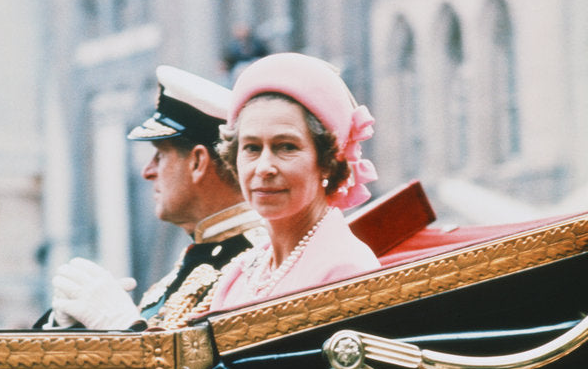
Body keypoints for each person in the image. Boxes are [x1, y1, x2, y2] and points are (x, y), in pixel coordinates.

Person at [41, 66, 265, 331]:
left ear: (197, 162)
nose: (148, 172)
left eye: (160, 156)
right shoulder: (195, 260)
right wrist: (70, 326)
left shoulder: (257, 263)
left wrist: (126, 327)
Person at [206, 52, 380, 313]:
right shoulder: (240, 274)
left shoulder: (345, 271)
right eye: (252, 148)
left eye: (286, 147)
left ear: (327, 161)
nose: (264, 168)